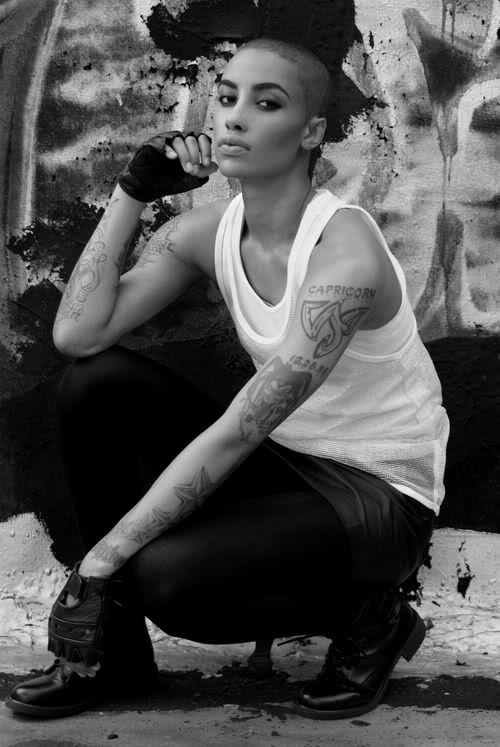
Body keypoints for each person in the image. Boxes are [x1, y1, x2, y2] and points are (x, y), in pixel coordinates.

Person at [6, 36, 448, 720]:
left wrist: (100, 562)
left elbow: (242, 427)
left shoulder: (344, 257)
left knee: (168, 582)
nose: (236, 116)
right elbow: (78, 335)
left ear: (311, 133)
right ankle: (112, 658)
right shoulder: (209, 231)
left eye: (267, 104)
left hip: (379, 496)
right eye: (227, 97)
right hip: (289, 462)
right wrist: (132, 191)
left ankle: (373, 615)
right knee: (95, 384)